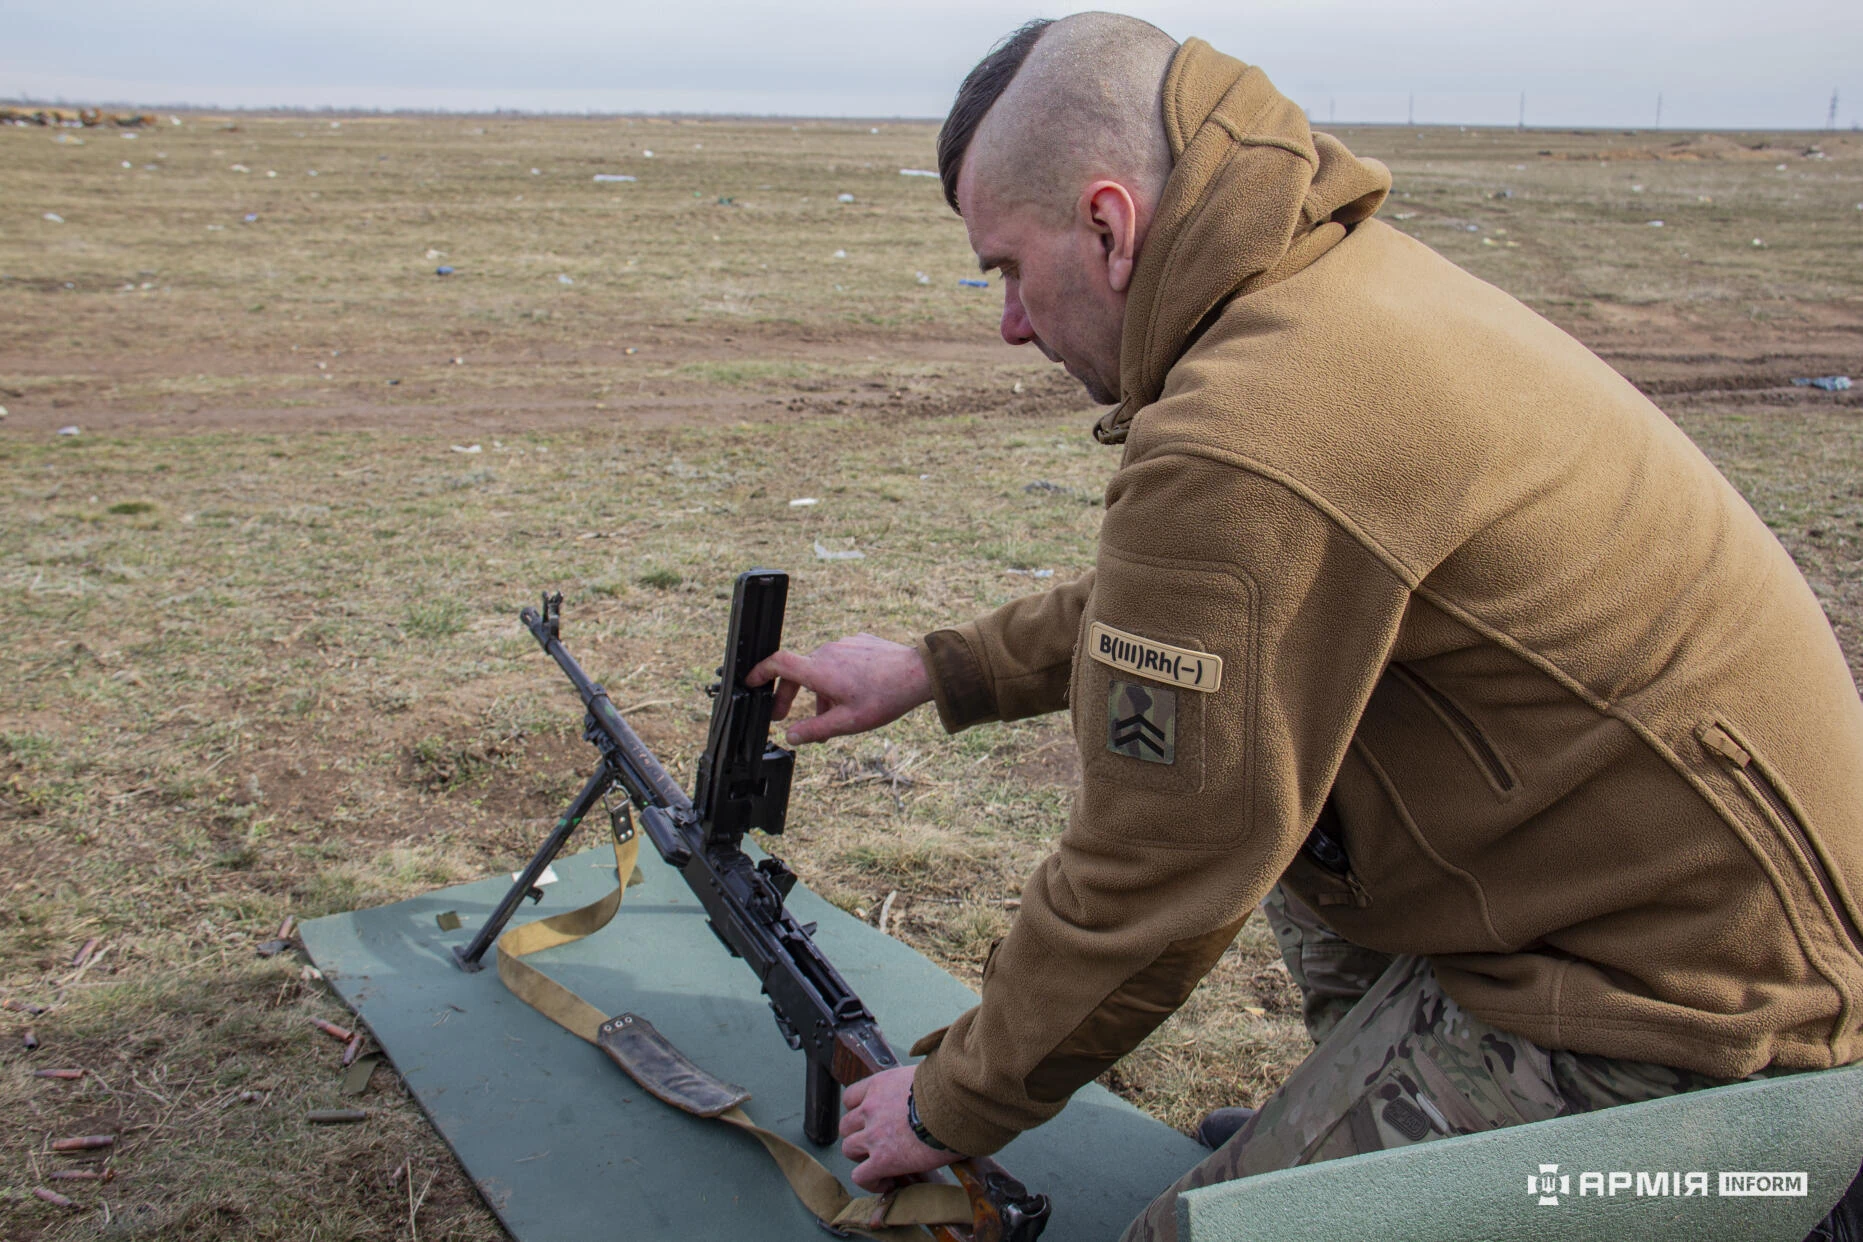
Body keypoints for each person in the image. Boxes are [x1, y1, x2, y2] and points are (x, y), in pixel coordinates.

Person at [747, 13, 1863, 1238]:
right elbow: (1191, 602)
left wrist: (950, 1101)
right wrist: (936, 670)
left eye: (1008, 269)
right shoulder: (1322, 289)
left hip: (1687, 998)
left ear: (1111, 229)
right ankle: (1371, 1127)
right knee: (1275, 799)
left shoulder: (1258, 425)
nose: (1009, 322)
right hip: (1651, 880)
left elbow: (1152, 879)